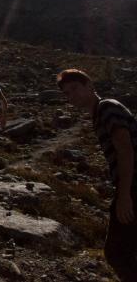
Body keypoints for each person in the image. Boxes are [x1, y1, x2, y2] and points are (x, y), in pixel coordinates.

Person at [57, 69, 137, 281]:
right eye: (67, 93)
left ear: (89, 85)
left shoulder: (106, 108)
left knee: (116, 253)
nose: (71, 96)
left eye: (75, 88)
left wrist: (124, 195)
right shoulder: (101, 112)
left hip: (132, 186)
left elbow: (125, 150)